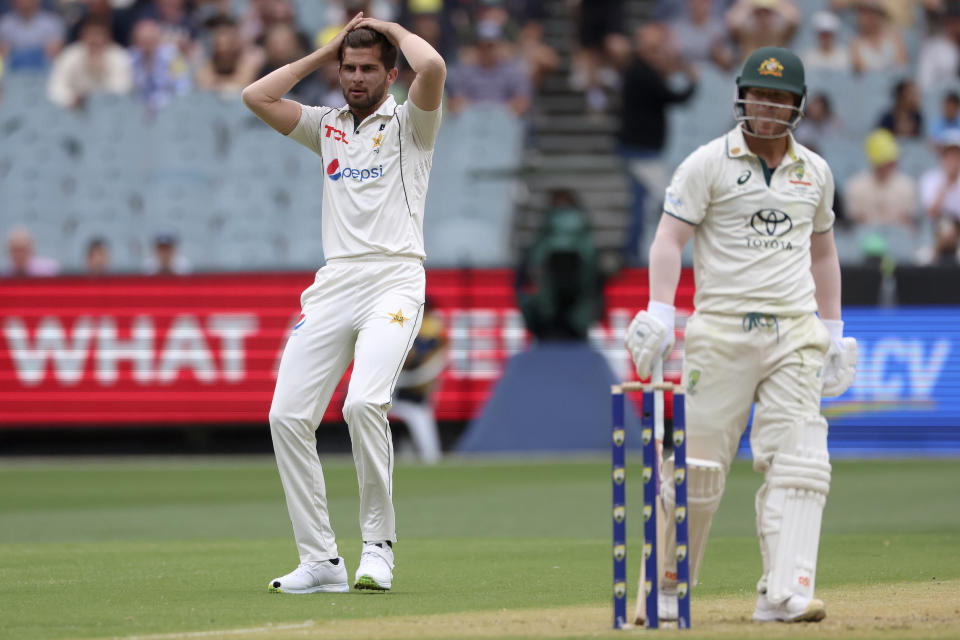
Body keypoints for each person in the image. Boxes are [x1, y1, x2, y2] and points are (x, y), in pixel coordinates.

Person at [624, 47, 857, 623]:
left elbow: (823, 254)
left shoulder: (816, 172)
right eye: (758, 94)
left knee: (800, 462)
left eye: (779, 97)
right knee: (696, 472)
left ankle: (785, 592)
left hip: (794, 335)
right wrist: (659, 310)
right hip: (722, 333)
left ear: (797, 105)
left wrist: (832, 330)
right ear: (741, 97)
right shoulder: (707, 163)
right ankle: (666, 589)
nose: (767, 105)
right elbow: (667, 241)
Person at [242, 12, 445, 594]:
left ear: (389, 73)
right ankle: (322, 561)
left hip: (395, 280)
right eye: (348, 68)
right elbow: (256, 95)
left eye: (367, 69)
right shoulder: (324, 125)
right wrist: (324, 50)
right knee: (286, 417)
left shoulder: (413, 124)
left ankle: (378, 547)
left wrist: (387, 25)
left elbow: (431, 65)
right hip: (334, 283)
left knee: (363, 404)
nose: (356, 78)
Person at [388, 299, 448, 464]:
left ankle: (423, 453)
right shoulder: (403, 320)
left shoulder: (430, 326)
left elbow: (419, 358)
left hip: (411, 391)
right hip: (394, 389)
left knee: (418, 416)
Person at [47, 18, 132, 110]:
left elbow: (123, 88)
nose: (94, 40)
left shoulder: (119, 57)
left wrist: (101, 72)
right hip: (75, 112)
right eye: (90, 35)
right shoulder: (70, 56)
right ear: (82, 37)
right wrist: (72, 98)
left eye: (99, 35)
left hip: (111, 112)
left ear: (107, 37)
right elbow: (55, 87)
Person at [845, 129, 917, 229]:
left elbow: (907, 220)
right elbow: (856, 221)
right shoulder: (856, 186)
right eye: (885, 161)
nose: (891, 165)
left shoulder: (906, 185)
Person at [920, 129, 960, 263]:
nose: (954, 159)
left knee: (950, 228)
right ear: (943, 156)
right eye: (950, 154)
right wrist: (946, 183)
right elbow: (932, 213)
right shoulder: (930, 179)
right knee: (945, 228)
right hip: (936, 232)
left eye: (957, 154)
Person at [0, 0, 65, 72]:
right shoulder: (4, 24)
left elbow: (55, 55)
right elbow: (3, 56)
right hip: (13, 73)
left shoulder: (52, 23)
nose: (25, 2)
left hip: (45, 73)